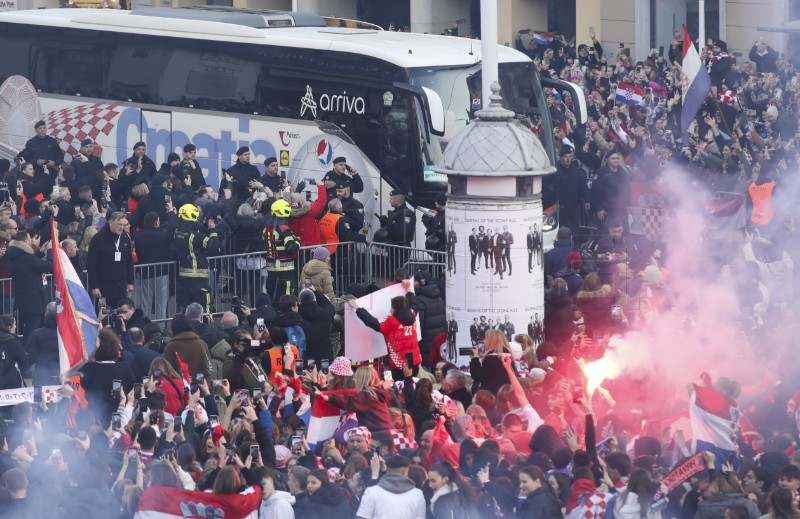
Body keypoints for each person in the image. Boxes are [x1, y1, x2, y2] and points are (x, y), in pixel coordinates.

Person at [349, 280, 422, 381]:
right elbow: (414, 304)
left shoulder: (391, 322)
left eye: (391, 307)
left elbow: (371, 322)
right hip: (415, 363)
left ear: (395, 309)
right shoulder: (412, 314)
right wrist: (408, 289)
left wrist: (357, 308)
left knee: (398, 390)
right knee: (412, 386)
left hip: (398, 367)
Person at [80, 328, 135, 424]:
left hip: (94, 419)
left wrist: (92, 352)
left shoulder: (88, 369)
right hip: (119, 417)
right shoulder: (124, 369)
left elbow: (82, 365)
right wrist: (120, 351)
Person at [316, 366, 394, 433]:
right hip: (387, 432)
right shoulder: (376, 393)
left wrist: (327, 397)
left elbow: (348, 400)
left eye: (356, 377)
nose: (354, 380)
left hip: (376, 434)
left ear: (362, 379)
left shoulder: (367, 396)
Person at [173, 204, 220, 313]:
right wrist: (212, 230)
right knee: (206, 302)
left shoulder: (176, 233)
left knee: (188, 306)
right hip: (198, 275)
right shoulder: (196, 237)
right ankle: (208, 325)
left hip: (184, 274)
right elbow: (213, 246)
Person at [6, 230, 52, 339]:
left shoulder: (14, 256)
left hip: (24, 300)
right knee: (33, 332)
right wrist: (50, 250)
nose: (31, 241)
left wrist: (40, 252)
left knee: (29, 331)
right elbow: (49, 265)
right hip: (34, 301)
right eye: (30, 239)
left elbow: (30, 263)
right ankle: (29, 354)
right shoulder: (26, 258)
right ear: (26, 241)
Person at [87, 212, 135, 309]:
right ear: (111, 222)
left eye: (123, 225)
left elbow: (129, 261)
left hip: (121, 286)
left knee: (120, 314)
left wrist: (130, 282)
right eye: (119, 224)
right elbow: (91, 264)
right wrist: (94, 286)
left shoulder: (125, 238)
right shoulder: (98, 239)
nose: (122, 227)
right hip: (103, 287)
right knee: (103, 315)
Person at [356, 454, 426, 519]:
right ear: (405, 473)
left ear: (388, 470)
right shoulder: (417, 494)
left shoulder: (371, 492)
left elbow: (362, 517)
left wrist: (375, 474)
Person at [134, 211, 175, 320]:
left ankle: (145, 324)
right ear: (156, 222)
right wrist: (171, 213)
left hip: (145, 273)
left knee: (145, 302)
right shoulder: (163, 235)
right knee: (161, 302)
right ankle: (160, 326)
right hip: (161, 272)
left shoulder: (138, 236)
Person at [410, 270, 445, 367]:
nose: (413, 283)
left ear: (422, 282)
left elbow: (418, 326)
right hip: (436, 343)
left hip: (424, 346)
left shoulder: (420, 301)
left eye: (415, 281)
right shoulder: (439, 298)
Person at [161, 314, 213, 378]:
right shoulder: (201, 343)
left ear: (173, 328)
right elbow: (208, 367)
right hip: (200, 384)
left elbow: (164, 369)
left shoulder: (170, 347)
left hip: (179, 385)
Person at [28, 303, 59, 387]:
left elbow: (32, 356)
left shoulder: (36, 334)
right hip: (59, 373)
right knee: (59, 398)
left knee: (39, 398)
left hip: (41, 374)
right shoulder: (63, 334)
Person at [0, 315, 27, 391]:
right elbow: (24, 365)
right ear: (9, 327)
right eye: (15, 324)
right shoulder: (14, 342)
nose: (15, 327)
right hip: (10, 382)